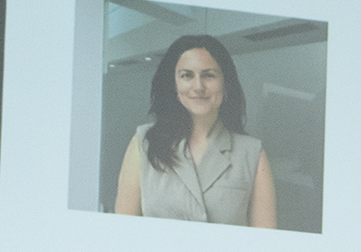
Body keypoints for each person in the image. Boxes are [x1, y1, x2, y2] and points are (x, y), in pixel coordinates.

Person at [112, 34, 275, 228]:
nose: (198, 86)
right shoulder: (143, 143)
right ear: (173, 84)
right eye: (187, 75)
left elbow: (264, 242)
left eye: (209, 75)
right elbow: (123, 233)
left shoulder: (252, 153)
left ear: (226, 84)